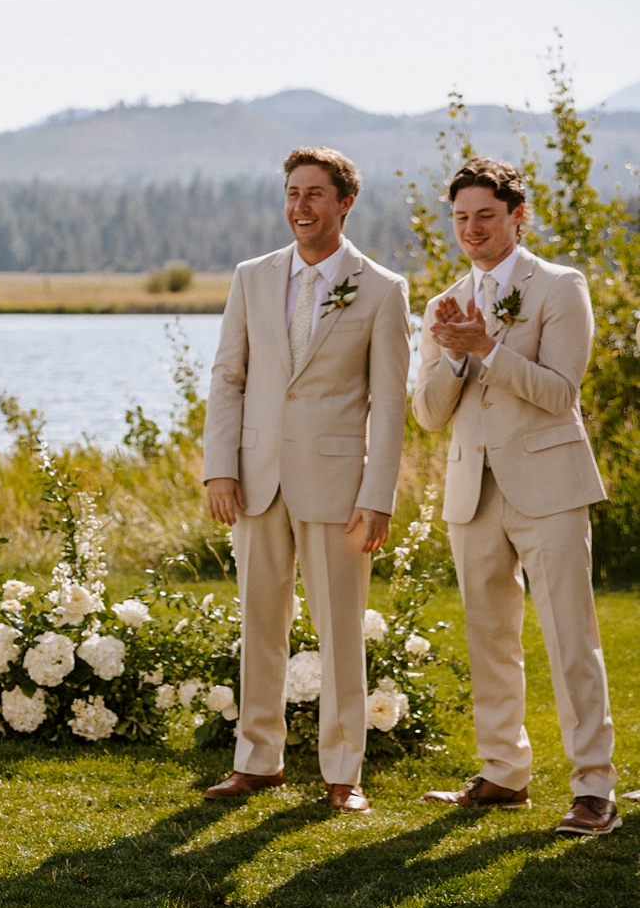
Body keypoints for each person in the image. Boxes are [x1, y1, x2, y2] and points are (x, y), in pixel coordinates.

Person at [201, 147, 409, 813]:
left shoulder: (380, 288)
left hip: (339, 487)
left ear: (344, 203)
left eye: (315, 194)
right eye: (292, 193)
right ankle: (258, 761)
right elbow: (228, 377)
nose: (300, 207)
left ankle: (343, 772)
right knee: (259, 622)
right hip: (256, 479)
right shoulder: (252, 277)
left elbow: (390, 404)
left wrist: (378, 496)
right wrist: (220, 467)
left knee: (339, 631)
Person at [414, 159, 618, 834]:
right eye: (462, 217)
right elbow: (428, 415)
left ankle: (594, 788)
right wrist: (453, 356)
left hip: (550, 485)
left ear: (516, 217)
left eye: (486, 215)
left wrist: (490, 350)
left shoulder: (560, 286)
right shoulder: (442, 303)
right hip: (473, 490)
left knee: (571, 637)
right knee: (489, 637)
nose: (471, 229)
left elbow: (561, 392)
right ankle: (504, 773)